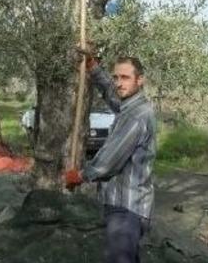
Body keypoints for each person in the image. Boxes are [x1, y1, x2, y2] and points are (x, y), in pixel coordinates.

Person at [65, 52, 156, 263]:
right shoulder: (132, 106)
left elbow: (107, 163)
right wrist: (94, 69)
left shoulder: (135, 116)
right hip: (129, 205)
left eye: (125, 78)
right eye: (116, 77)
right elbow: (114, 97)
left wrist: (79, 175)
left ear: (140, 80)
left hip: (127, 208)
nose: (118, 83)